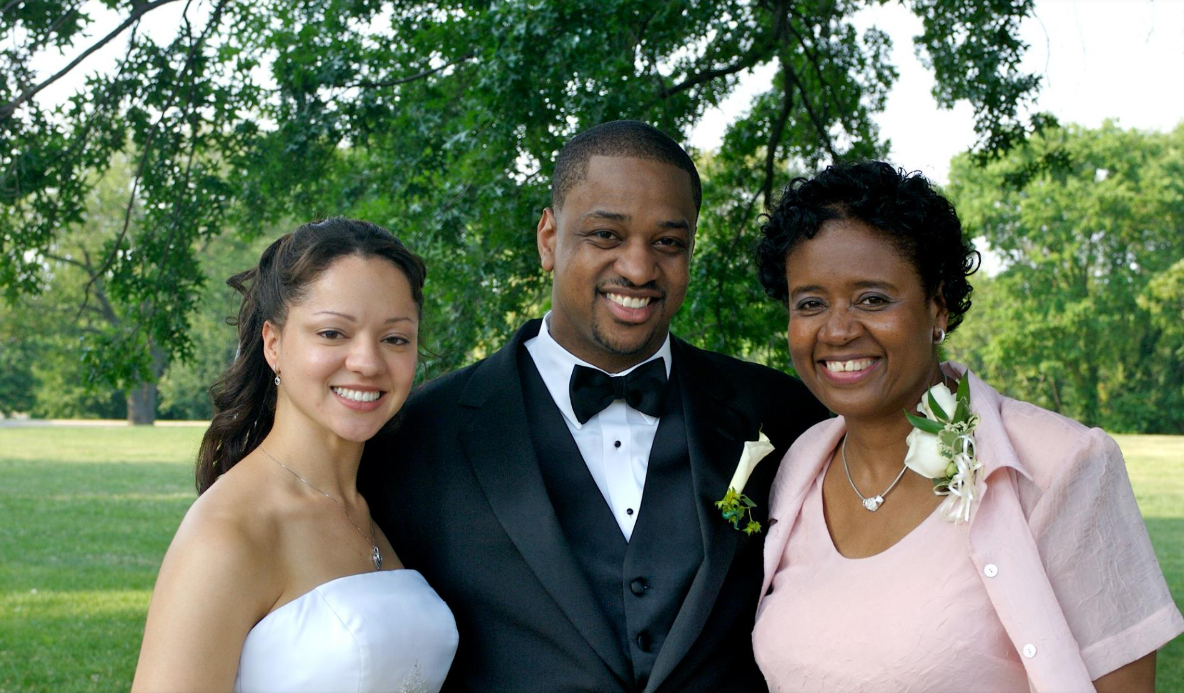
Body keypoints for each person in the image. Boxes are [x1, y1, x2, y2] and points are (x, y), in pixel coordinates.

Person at [361, 120, 826, 692]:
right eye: (606, 235)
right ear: (549, 238)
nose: (638, 268)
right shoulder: (416, 436)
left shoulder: (784, 415)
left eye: (668, 243)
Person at [750, 162, 1184, 692]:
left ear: (939, 305)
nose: (838, 329)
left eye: (873, 299)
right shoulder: (799, 466)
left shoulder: (1058, 464)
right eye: (811, 303)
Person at [132, 219, 457, 693]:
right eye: (332, 333)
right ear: (274, 344)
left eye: (395, 339)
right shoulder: (229, 532)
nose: (367, 361)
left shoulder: (385, 504)